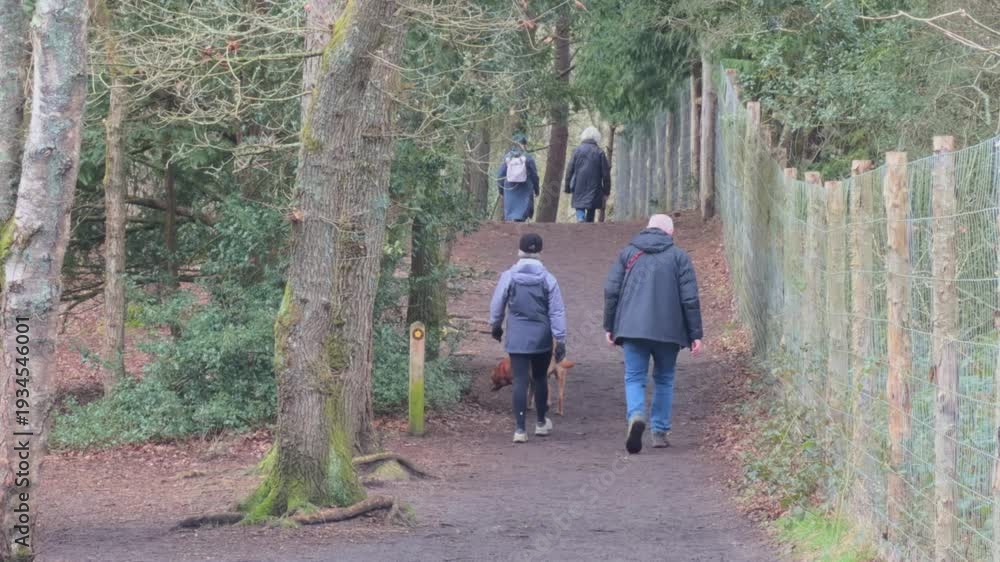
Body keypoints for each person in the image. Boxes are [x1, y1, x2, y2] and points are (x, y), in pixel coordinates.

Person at [603, 214, 703, 454]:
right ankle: (659, 431)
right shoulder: (679, 257)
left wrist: (610, 326)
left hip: (632, 328)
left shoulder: (628, 253)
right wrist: (695, 334)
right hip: (669, 330)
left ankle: (636, 415)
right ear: (670, 233)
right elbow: (689, 298)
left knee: (634, 377)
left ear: (647, 228)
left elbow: (611, 290)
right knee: (665, 379)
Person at [490, 233, 567, 443]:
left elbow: (497, 303)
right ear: (540, 252)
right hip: (541, 336)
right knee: (540, 378)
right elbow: (557, 311)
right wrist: (560, 339)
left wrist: (496, 325)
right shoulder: (549, 279)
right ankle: (541, 423)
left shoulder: (509, 276)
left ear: (520, 251)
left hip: (517, 336)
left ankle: (520, 429)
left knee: (520, 380)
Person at [564, 126, 611, 223]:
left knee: (579, 205)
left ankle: (580, 218)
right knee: (591, 207)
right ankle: (589, 225)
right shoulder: (600, 152)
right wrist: (606, 191)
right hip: (594, 187)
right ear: (597, 138)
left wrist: (567, 187)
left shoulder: (577, 151)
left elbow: (569, 170)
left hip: (578, 185)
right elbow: (606, 174)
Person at [497, 133, 540, 222]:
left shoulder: (507, 158)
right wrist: (536, 190)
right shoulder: (528, 158)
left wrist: (501, 190)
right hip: (525, 189)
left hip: (510, 189)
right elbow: (534, 175)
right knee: (521, 214)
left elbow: (500, 175)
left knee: (510, 215)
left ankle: (511, 226)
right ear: (523, 145)